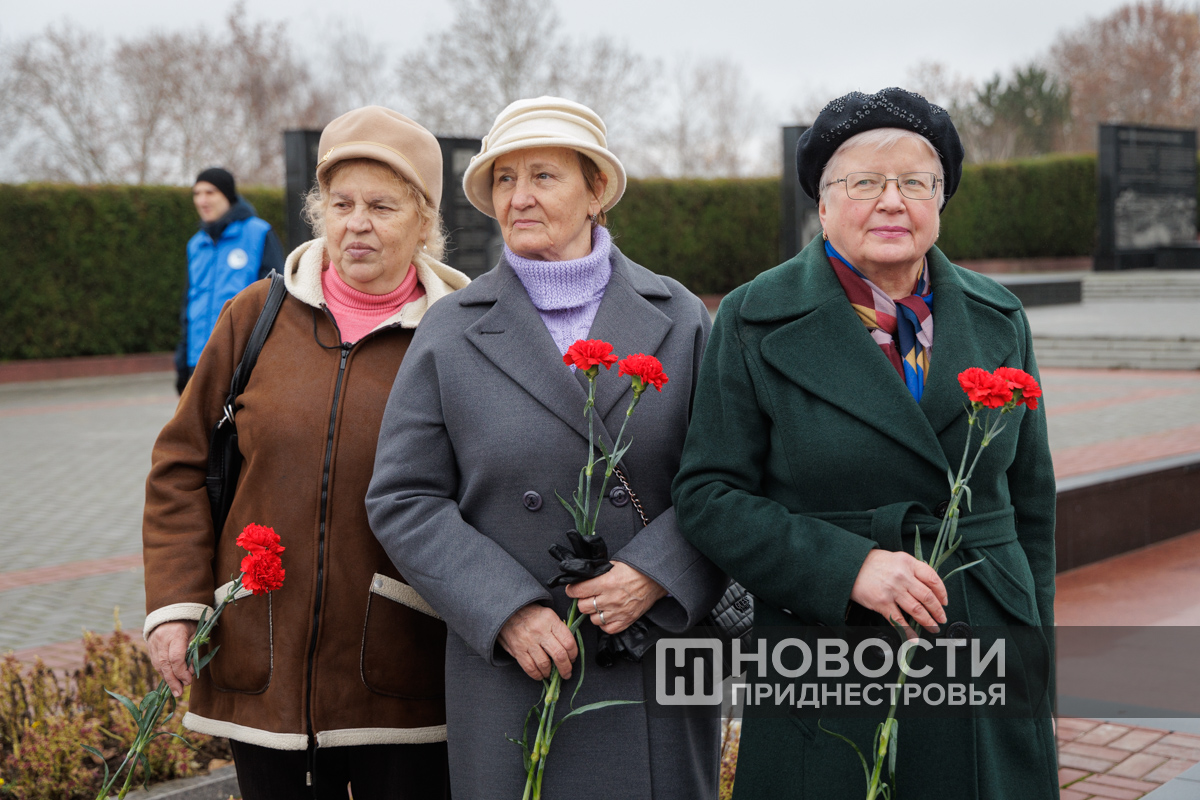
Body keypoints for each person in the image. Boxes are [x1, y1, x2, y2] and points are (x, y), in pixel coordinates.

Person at [672, 88, 1058, 799]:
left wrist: (1036, 661)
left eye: (915, 182)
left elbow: (1031, 504)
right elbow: (708, 496)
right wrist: (848, 568)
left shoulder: (1000, 316)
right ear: (822, 206)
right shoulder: (754, 317)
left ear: (940, 202)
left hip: (981, 638)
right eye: (864, 183)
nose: (892, 202)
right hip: (828, 644)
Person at [366, 96, 727, 799]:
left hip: (659, 646)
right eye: (504, 179)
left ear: (597, 191)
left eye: (544, 176)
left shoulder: (680, 316)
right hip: (515, 665)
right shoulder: (450, 329)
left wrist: (657, 572)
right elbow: (403, 497)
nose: (519, 196)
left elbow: (728, 478)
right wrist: (506, 609)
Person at [143, 107, 469, 799]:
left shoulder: (461, 334)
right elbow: (180, 465)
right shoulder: (255, 316)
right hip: (260, 662)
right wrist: (175, 603)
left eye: (382, 206)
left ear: (424, 221)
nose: (357, 224)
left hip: (402, 672)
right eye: (341, 204)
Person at [175, 167, 286, 394]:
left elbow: (277, 297)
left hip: (241, 359)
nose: (202, 200)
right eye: (197, 193)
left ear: (227, 195)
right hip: (198, 360)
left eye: (210, 192)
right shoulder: (195, 244)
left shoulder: (258, 233)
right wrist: (182, 360)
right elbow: (189, 304)